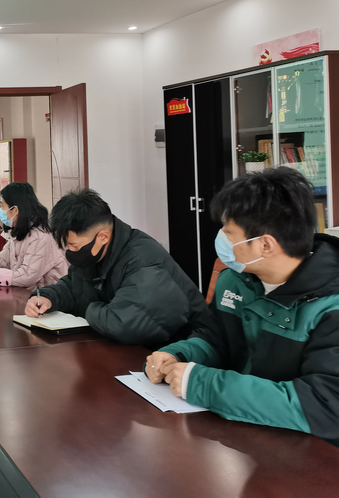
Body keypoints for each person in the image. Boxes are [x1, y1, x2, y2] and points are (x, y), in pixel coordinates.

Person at [146, 167, 339, 446]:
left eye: (229, 233)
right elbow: (216, 340)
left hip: (307, 453)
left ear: (265, 245)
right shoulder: (234, 281)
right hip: (243, 435)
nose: (221, 240)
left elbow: (326, 405)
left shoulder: (330, 306)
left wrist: (202, 384)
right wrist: (177, 354)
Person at [26, 188, 209, 346]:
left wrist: (88, 309)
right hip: (133, 349)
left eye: (75, 246)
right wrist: (47, 298)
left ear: (103, 237)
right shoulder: (96, 253)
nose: (71, 252)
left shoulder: (143, 261)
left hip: (184, 352)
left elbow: (124, 324)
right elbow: (74, 287)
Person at [0, 182, 67, 289]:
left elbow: (27, 276)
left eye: (2, 206)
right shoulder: (19, 230)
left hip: (48, 296)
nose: (1, 210)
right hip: (27, 292)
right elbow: (3, 260)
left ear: (15, 210)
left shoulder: (41, 237)